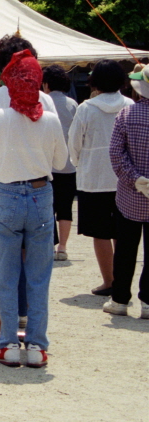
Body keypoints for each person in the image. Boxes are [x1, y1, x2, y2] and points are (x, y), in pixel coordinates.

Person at [0, 49, 68, 368]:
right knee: (39, 276)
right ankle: (37, 346)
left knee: (6, 272)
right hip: (42, 195)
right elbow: (60, 162)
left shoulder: (0, 117)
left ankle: (8, 342)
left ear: (11, 83)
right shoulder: (52, 120)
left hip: (6, 194)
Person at [70, 59, 133, 297]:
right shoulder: (129, 105)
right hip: (125, 179)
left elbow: (74, 143)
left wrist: (79, 163)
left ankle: (109, 280)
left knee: (100, 233)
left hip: (94, 178)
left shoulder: (86, 108)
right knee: (122, 233)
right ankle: (123, 281)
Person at [105, 64, 149, 318]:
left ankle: (120, 298)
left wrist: (135, 179)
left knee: (124, 250)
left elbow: (116, 154)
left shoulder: (126, 115)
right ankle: (148, 301)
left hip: (129, 195)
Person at [42, 65, 78, 261]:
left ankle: (48, 244)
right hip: (68, 164)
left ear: (46, 83)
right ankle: (62, 247)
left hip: (47, 164)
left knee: (47, 208)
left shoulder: (42, 102)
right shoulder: (72, 104)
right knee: (65, 208)